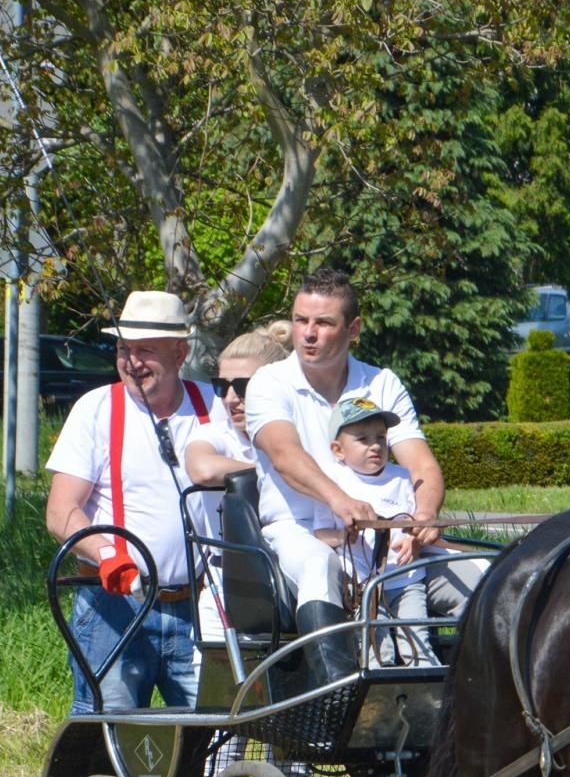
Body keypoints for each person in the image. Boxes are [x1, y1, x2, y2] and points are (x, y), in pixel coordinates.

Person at [242, 269, 485, 686]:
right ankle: (338, 696)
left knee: (483, 573)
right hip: (302, 530)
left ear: (353, 329)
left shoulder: (381, 382)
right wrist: (340, 501)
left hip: (387, 535)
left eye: (323, 323)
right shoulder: (268, 382)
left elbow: (422, 465)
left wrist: (423, 516)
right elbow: (284, 454)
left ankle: (484, 695)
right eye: (301, 320)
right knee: (320, 567)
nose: (308, 334)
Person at [45, 290, 226, 714]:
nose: (131, 361)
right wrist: (107, 554)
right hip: (115, 608)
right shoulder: (96, 409)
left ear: (180, 352)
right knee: (109, 738)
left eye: (145, 350)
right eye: (123, 349)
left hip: (200, 607)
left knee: (213, 739)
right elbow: (60, 512)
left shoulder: (214, 406)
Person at [312, 396, 440, 666]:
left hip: (407, 578)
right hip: (363, 584)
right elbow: (320, 533)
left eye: (381, 438)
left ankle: (427, 694)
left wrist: (413, 540)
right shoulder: (335, 481)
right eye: (362, 439)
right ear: (338, 449)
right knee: (376, 648)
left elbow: (412, 522)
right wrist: (343, 537)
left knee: (418, 644)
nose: (375, 446)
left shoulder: (401, 476)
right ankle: (378, 700)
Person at [183, 322, 290, 639]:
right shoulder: (215, 435)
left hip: (289, 577)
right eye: (221, 386)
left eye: (243, 386)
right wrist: (281, 472)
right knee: (216, 686)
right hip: (228, 583)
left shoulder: (299, 434)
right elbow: (202, 469)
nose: (230, 398)